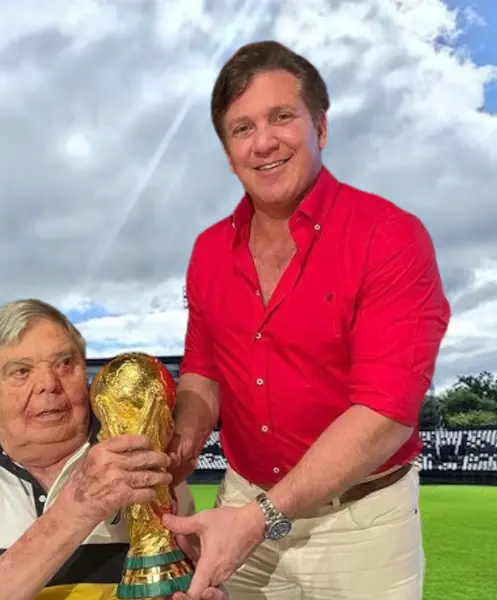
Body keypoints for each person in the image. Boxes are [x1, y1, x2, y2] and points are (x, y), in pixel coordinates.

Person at [159, 40, 451, 600]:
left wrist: (261, 516)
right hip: (242, 507)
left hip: (359, 525)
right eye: (242, 128)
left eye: (281, 117)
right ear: (227, 151)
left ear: (320, 127)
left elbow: (386, 412)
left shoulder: (389, 236)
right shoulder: (208, 252)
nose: (264, 142)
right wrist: (179, 449)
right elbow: (203, 370)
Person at [0, 298, 225, 600]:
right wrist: (78, 509)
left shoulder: (140, 447)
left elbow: (177, 575)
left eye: (65, 363)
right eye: (21, 371)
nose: (48, 383)